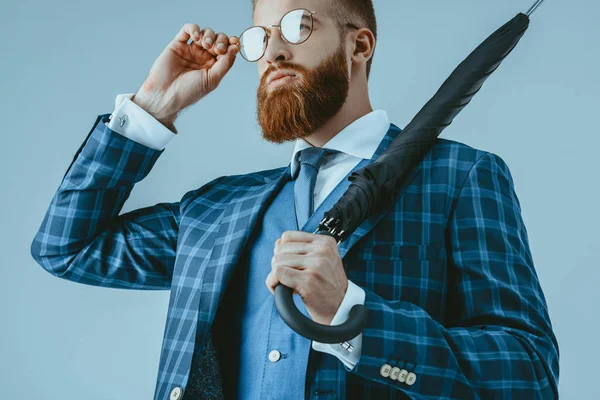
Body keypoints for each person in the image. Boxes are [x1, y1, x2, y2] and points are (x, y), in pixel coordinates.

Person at [30, 0, 560, 399]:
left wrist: (354, 315)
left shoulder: (460, 177)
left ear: (359, 45)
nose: (274, 51)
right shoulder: (217, 209)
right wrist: (152, 108)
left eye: (297, 27)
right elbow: (65, 247)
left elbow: (529, 374)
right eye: (259, 37)